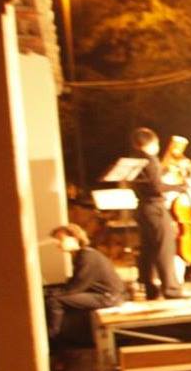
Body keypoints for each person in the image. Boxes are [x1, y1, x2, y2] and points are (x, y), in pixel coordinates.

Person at [125, 127, 183, 300]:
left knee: (148, 249)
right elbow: (157, 187)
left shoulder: (134, 160)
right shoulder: (150, 160)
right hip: (155, 208)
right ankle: (171, 290)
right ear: (151, 143)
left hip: (142, 208)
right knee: (165, 248)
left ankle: (150, 289)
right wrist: (179, 187)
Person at [45, 224, 126, 343]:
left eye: (60, 239)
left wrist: (50, 293)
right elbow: (75, 283)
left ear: (75, 238)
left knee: (54, 300)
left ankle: (52, 336)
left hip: (108, 298)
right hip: (107, 296)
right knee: (54, 295)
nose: (57, 243)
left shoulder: (86, 256)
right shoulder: (83, 255)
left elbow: (77, 286)